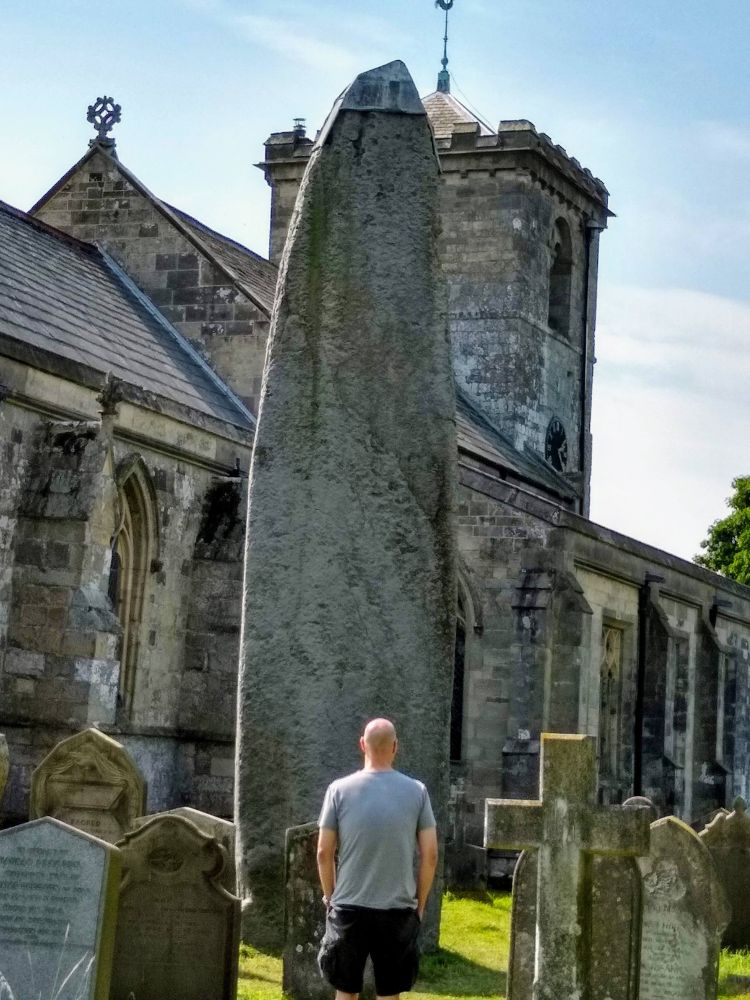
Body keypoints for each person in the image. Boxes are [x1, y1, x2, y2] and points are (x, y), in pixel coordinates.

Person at [316, 718, 439, 1000]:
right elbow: (430, 855)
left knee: (345, 991)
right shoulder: (417, 792)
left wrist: (329, 897)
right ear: (395, 746)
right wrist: (419, 905)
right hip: (397, 908)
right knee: (389, 992)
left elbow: (324, 852)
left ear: (362, 745)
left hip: (348, 906)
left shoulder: (338, 790)